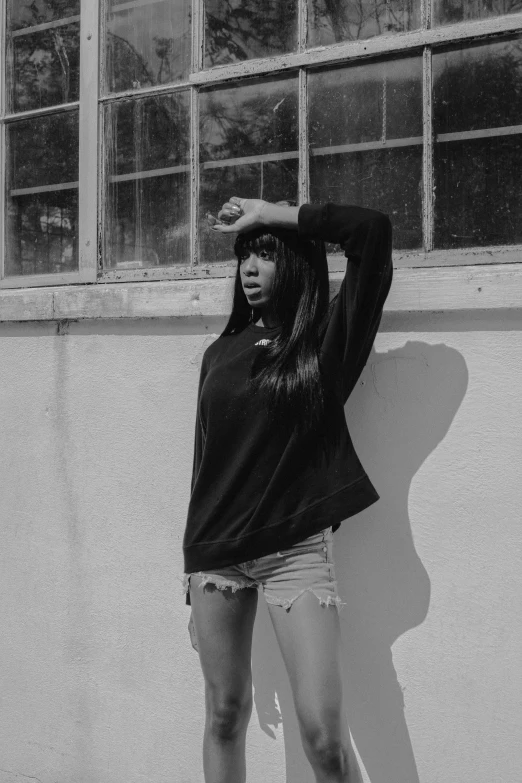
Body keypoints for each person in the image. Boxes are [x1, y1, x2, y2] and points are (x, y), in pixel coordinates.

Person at [179, 196, 393, 783]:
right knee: (225, 713)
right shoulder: (218, 354)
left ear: (294, 263)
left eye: (266, 254)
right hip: (216, 555)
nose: (249, 268)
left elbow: (371, 230)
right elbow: (206, 465)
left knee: (323, 737)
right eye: (244, 256)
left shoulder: (322, 347)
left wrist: (272, 214)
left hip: (295, 554)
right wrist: (191, 566)